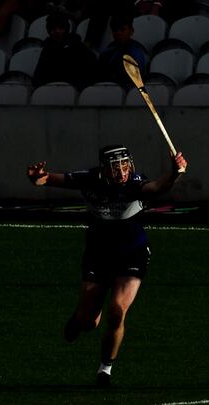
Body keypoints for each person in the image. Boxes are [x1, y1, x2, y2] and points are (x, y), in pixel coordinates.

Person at [26, 145, 188, 387]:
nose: (122, 172)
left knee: (117, 310)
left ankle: (105, 368)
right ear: (104, 169)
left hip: (132, 255)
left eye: (125, 165)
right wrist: (37, 178)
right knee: (89, 322)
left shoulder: (135, 183)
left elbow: (156, 187)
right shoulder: (89, 180)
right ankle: (80, 319)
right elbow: (46, 179)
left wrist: (175, 172)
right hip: (98, 255)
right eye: (115, 167)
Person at [32, 12, 97, 89]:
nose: (57, 31)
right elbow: (38, 76)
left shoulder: (76, 44)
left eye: (60, 28)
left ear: (66, 29)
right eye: (53, 29)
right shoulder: (47, 49)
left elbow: (91, 66)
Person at [96, 11, 147, 88]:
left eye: (122, 29)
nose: (118, 33)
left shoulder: (137, 53)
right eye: (115, 30)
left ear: (131, 31)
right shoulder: (106, 53)